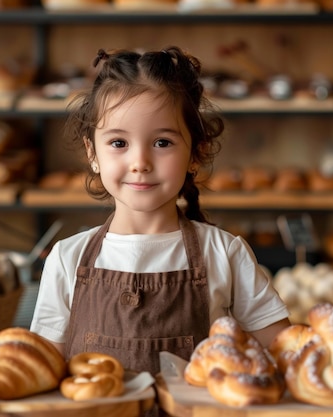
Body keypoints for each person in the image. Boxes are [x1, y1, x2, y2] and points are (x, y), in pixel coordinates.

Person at [30, 46, 290, 375]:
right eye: (118, 143)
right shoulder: (67, 260)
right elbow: (43, 371)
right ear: (92, 153)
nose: (140, 163)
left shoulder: (225, 254)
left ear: (196, 152)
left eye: (162, 143)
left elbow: (284, 351)